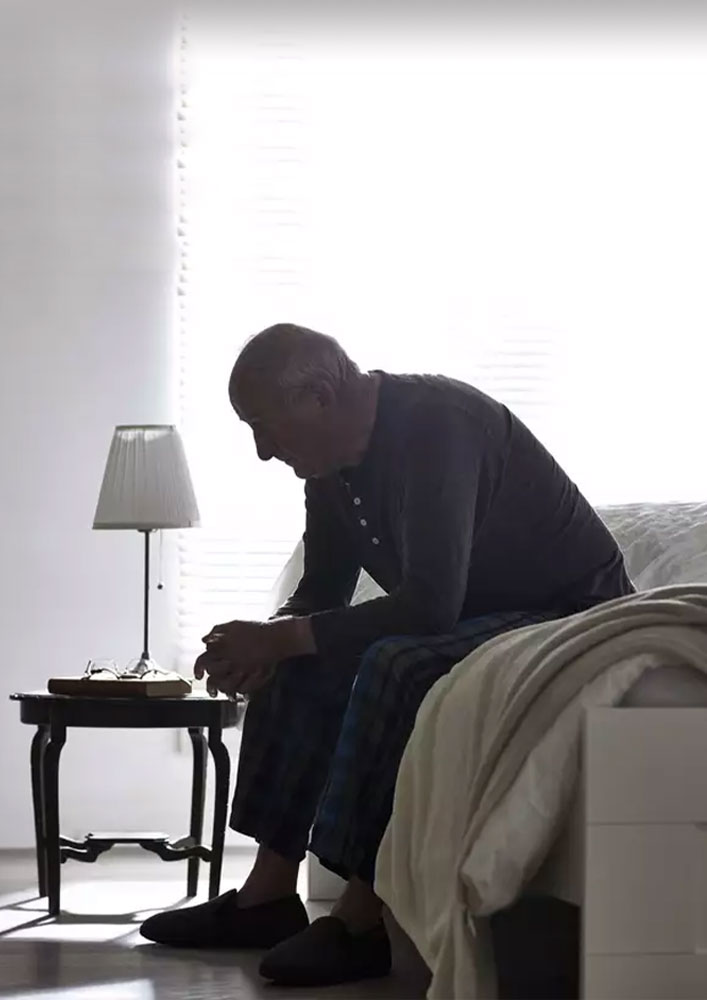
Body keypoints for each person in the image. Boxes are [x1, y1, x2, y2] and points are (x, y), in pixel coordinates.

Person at [140, 322, 633, 987]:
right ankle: (266, 896)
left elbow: (429, 605)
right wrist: (267, 643)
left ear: (319, 396)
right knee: (301, 656)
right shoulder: (330, 469)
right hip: (474, 615)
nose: (262, 451)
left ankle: (362, 917)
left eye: (263, 427)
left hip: (569, 612)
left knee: (396, 664)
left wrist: (282, 636)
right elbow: (320, 592)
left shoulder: (439, 425)